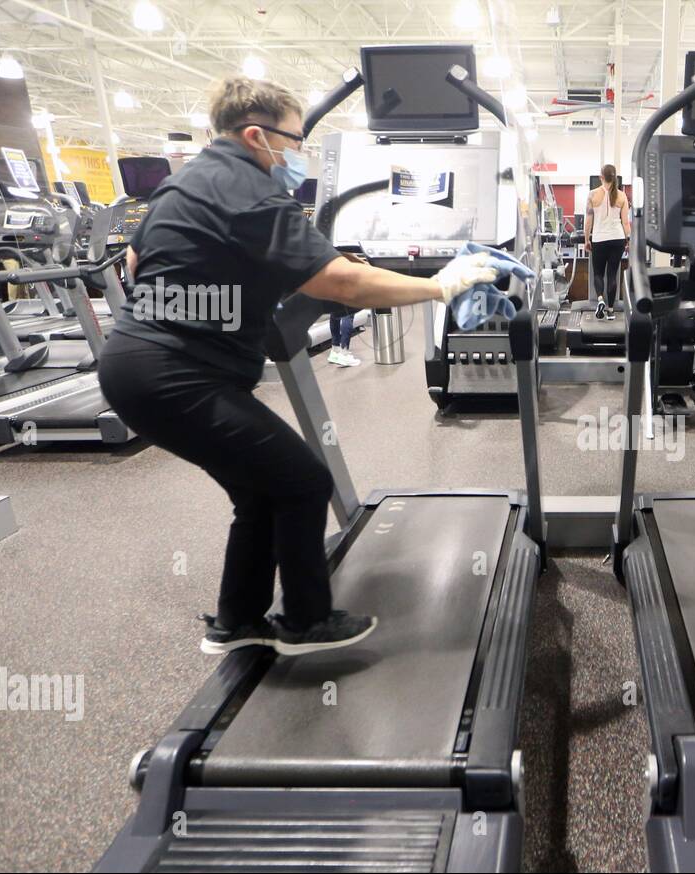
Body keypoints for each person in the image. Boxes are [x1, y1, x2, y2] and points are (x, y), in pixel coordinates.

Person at [98, 76, 502, 657]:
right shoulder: (251, 189)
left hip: (137, 364)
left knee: (259, 490)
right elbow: (339, 281)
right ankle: (307, 622)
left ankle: (237, 621)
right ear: (257, 135)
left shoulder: (186, 180)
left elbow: (139, 260)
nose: (298, 154)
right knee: (303, 480)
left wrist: (228, 294)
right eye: (294, 140)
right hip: (177, 375)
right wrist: (438, 286)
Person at [584, 164, 630, 319]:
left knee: (598, 273)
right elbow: (626, 223)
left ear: (601, 177)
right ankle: (610, 311)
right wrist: (628, 240)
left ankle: (600, 300)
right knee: (612, 274)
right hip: (618, 239)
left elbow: (588, 222)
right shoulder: (622, 196)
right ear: (615, 177)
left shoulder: (592, 195)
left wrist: (586, 240)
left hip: (599, 239)